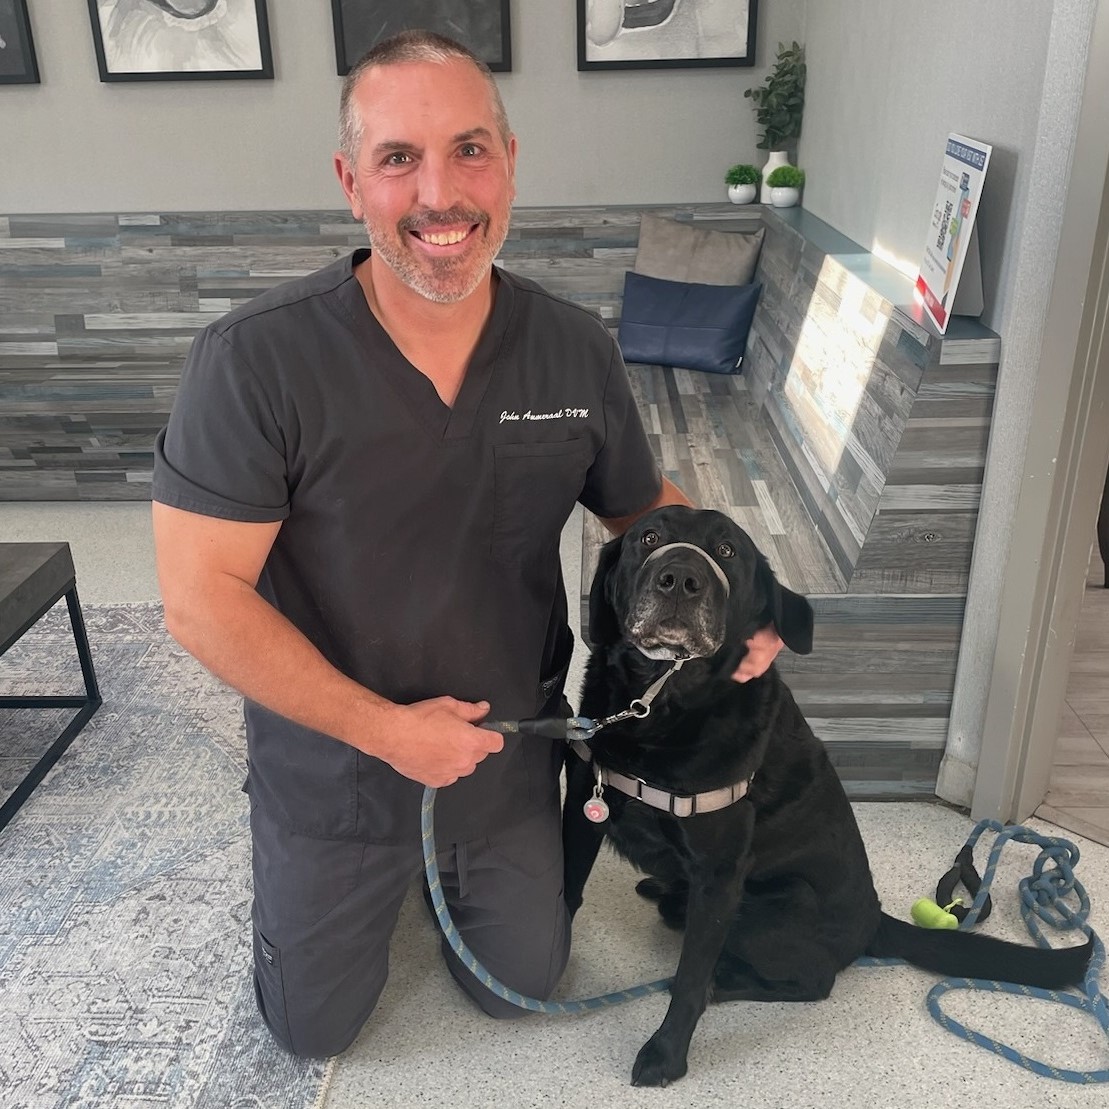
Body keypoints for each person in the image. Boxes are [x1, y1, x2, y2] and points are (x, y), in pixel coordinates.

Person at [151, 29, 784, 1059]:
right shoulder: (251, 362)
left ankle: (457, 863)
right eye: (399, 158)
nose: (439, 194)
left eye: (469, 150)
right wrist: (387, 733)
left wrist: (744, 601)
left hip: (504, 756)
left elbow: (641, 508)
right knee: (311, 1029)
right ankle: (322, 866)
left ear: (509, 160)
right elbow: (200, 598)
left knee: (520, 985)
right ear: (351, 181)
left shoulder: (570, 348)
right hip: (335, 769)